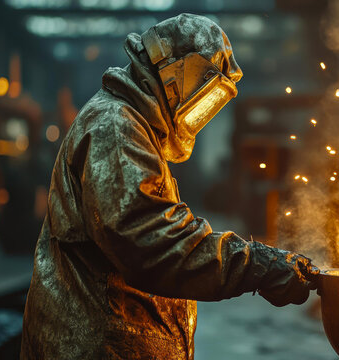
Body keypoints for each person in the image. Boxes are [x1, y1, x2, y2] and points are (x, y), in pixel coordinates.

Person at [20, 14, 319, 360]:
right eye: (204, 95)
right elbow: (152, 242)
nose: (202, 112)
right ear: (174, 73)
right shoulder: (115, 127)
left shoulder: (135, 130)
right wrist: (255, 264)